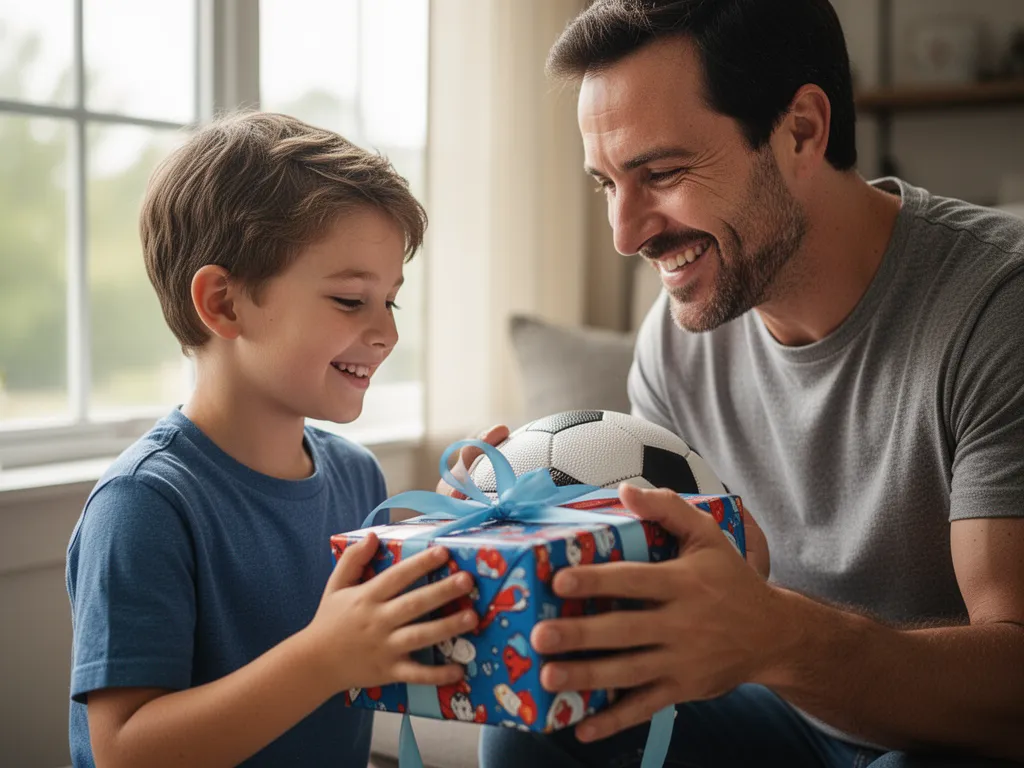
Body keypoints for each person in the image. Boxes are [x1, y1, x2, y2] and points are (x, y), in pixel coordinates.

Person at [472, 1, 1024, 766]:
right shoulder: (674, 340)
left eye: (660, 173)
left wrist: (777, 633)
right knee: (533, 731)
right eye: (606, 185)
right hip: (783, 713)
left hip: (951, 734)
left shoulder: (998, 306)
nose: (625, 234)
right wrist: (501, 532)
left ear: (801, 129)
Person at [65, 112, 478, 768]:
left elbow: (380, 661)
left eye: (390, 303)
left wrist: (469, 542)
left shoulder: (357, 477)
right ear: (224, 304)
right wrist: (322, 658)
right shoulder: (144, 504)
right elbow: (125, 751)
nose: (387, 335)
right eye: (350, 300)